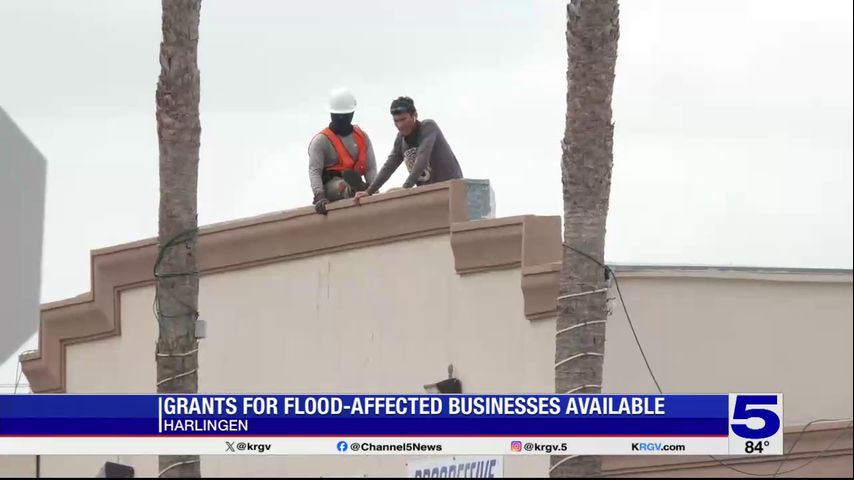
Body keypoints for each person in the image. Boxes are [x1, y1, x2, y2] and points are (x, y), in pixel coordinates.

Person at [355, 96, 462, 202]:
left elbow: (422, 158)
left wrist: (406, 187)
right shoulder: (400, 139)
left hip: (453, 190)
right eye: (396, 121)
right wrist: (369, 191)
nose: (400, 125)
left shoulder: (428, 127)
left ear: (414, 115)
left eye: (403, 119)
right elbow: (389, 166)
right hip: (430, 193)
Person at [308, 88, 378, 214]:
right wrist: (319, 196)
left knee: (356, 185)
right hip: (332, 186)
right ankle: (353, 189)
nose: (341, 119)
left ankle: (360, 188)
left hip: (357, 181)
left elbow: (370, 168)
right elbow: (315, 170)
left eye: (345, 116)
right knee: (342, 186)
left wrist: (375, 191)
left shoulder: (362, 137)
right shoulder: (321, 141)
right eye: (338, 116)